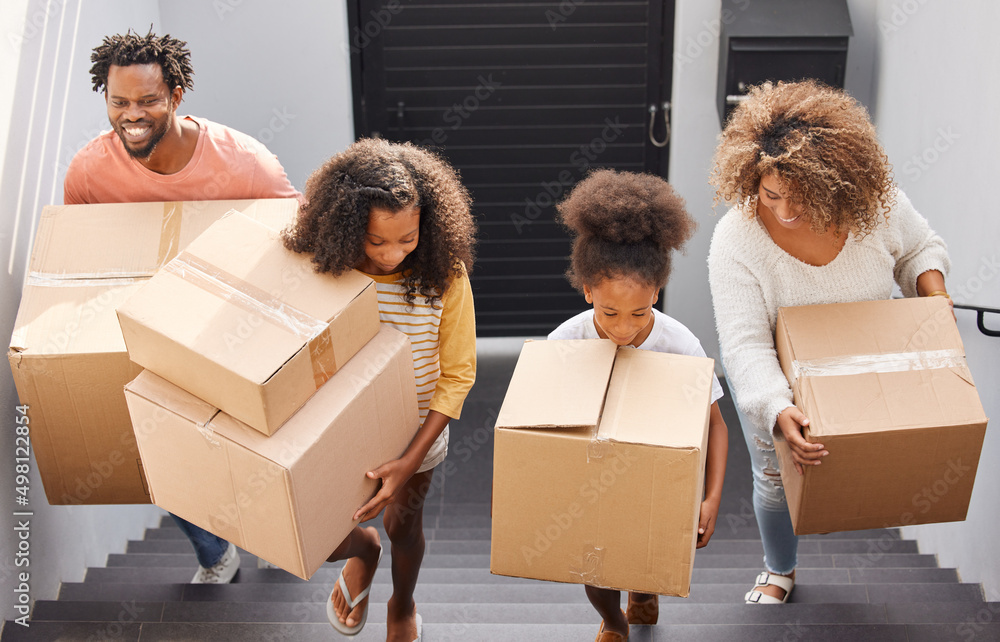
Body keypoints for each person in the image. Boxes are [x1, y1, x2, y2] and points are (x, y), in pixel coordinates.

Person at [64, 30, 300, 584]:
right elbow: (76, 256)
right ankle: (216, 553)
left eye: (148, 100)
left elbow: (296, 238)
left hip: (235, 326)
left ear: (176, 94)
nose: (132, 115)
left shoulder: (244, 163)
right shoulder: (90, 173)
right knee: (161, 452)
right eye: (119, 102)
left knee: (254, 445)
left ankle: (275, 536)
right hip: (150, 332)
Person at [708, 79, 951, 604]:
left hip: (869, 377)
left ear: (834, 181)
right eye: (772, 195)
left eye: (802, 197)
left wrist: (933, 293)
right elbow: (745, 343)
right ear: (751, 178)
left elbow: (918, 250)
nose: (787, 211)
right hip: (782, 387)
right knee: (774, 480)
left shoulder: (875, 206)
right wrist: (776, 407)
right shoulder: (736, 241)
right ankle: (779, 570)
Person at [283, 138, 477, 641]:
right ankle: (363, 551)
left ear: (427, 225)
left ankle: (403, 602)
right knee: (320, 537)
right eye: (376, 241)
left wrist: (409, 461)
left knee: (404, 528)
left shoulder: (444, 275)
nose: (392, 254)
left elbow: (457, 375)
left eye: (407, 239)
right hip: (339, 431)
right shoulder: (329, 269)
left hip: (417, 435)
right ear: (347, 228)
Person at [548, 169, 729, 642]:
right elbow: (538, 429)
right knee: (595, 564)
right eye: (608, 313)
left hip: (656, 472)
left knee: (646, 549)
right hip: (592, 474)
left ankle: (645, 591)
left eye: (639, 313)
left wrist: (710, 497)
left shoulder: (678, 345)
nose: (623, 328)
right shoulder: (564, 343)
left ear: (656, 294)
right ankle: (612, 618)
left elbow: (716, 425)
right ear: (587, 290)